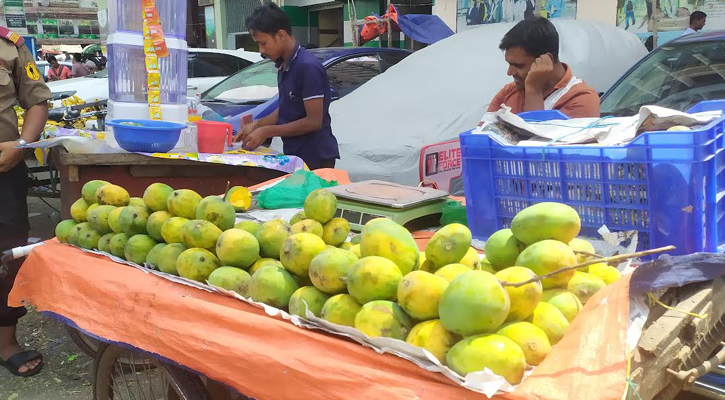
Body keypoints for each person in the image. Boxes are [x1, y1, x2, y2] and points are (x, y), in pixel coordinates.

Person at [0, 27, 51, 378]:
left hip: (3, 167)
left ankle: (5, 342)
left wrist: (21, 146)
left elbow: (36, 102)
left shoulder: (10, 47)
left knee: (7, 252)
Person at [234, 4, 339, 170]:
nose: (261, 50)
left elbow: (313, 122)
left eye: (263, 43)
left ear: (281, 35)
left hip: (316, 158)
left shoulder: (307, 67)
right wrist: (256, 125)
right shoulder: (284, 65)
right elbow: (286, 108)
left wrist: (267, 131)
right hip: (295, 154)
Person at [487, 17, 600, 118]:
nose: (509, 72)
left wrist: (534, 91)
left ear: (546, 60)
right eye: (509, 64)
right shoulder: (508, 92)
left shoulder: (581, 99)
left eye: (518, 65)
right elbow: (480, 137)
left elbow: (536, 140)